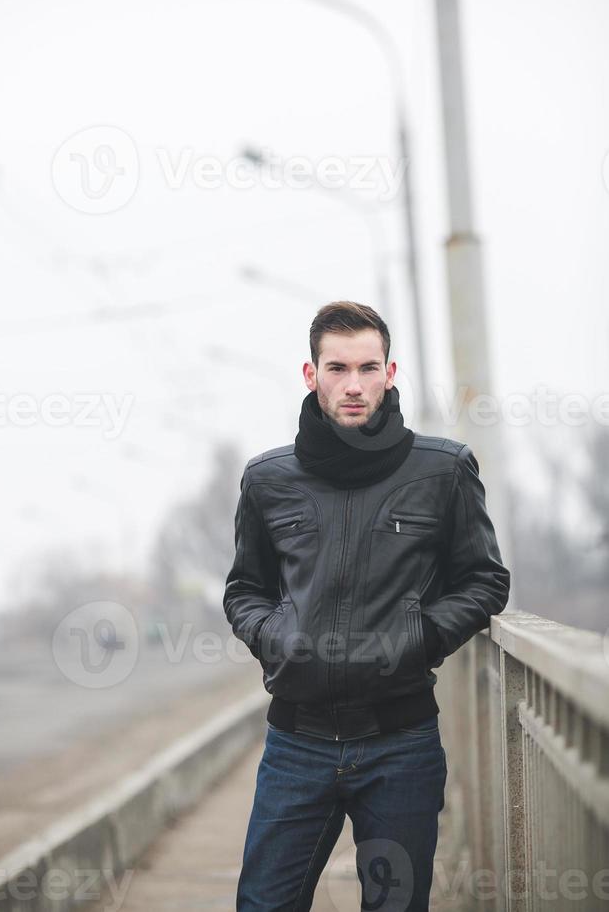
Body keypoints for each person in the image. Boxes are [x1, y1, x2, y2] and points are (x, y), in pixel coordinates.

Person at [224, 300, 510, 911]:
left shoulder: (444, 469)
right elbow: (244, 590)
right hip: (295, 744)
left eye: (367, 367)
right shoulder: (268, 479)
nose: (353, 385)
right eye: (337, 368)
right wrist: (279, 635)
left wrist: (419, 637)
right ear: (311, 374)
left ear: (390, 371)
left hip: (401, 743)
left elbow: (485, 581)